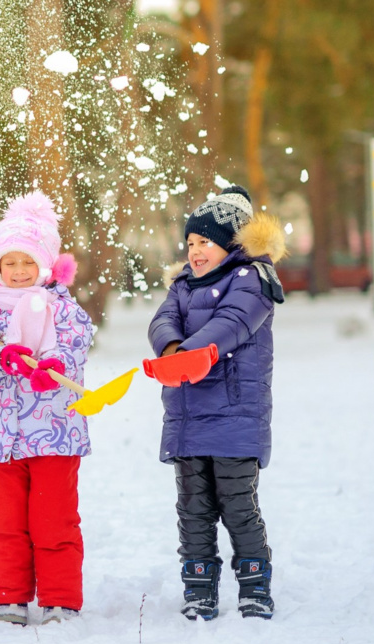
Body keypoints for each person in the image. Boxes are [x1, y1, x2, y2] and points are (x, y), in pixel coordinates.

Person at [147, 185, 285, 621]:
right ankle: (199, 587)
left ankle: (255, 585)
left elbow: (231, 323)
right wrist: (170, 348)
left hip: (235, 417)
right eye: (190, 243)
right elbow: (162, 319)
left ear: (231, 245)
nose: (196, 251)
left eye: (206, 242)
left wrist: (188, 355)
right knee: (193, 508)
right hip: (188, 417)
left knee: (238, 505)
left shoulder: (254, 281)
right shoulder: (182, 285)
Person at [0, 191, 93, 627]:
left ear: (46, 266)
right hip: (3, 438)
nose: (18, 272)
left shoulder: (64, 310)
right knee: (5, 522)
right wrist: (0, 357)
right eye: (9, 263)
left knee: (53, 520)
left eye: (27, 263)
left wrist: (53, 365)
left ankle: (59, 598)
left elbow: (76, 349)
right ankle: (11, 596)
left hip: (55, 433)